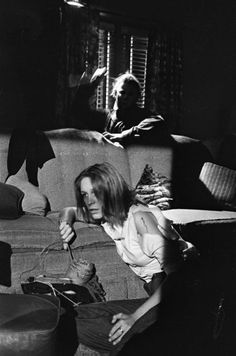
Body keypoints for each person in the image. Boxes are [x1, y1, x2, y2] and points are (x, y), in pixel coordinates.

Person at [59, 162, 206, 355]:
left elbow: (179, 277)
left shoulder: (140, 219)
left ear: (112, 191)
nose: (89, 201)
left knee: (125, 340)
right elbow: (68, 210)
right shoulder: (106, 216)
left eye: (96, 193)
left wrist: (135, 317)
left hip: (182, 300)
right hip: (156, 296)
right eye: (85, 194)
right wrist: (65, 224)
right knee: (68, 318)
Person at [70, 67, 174, 147]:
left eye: (130, 94)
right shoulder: (105, 115)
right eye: (122, 92)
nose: (125, 97)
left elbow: (159, 120)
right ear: (115, 93)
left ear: (137, 97)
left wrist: (124, 135)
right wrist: (92, 85)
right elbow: (78, 112)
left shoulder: (140, 114)